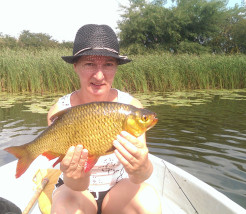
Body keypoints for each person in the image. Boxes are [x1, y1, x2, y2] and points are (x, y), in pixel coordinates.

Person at [47, 24, 161, 214]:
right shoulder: (60, 111)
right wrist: (77, 176)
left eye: (108, 64)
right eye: (89, 64)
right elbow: (75, 184)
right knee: (65, 209)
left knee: (148, 201)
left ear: (116, 68)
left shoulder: (131, 108)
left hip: (119, 188)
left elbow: (140, 177)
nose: (99, 75)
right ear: (75, 66)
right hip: (75, 190)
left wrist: (142, 167)